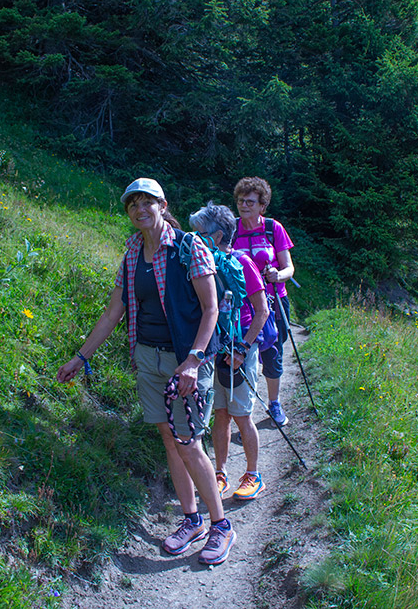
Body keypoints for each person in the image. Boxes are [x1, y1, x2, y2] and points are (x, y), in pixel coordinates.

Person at [56, 178, 236, 566]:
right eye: (132, 204)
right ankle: (192, 520)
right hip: (148, 359)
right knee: (170, 440)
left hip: (187, 363)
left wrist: (193, 359)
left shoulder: (190, 247)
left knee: (189, 442)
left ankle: (221, 525)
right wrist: (80, 357)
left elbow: (211, 310)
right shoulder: (133, 253)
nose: (140, 210)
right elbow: (112, 312)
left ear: (162, 204)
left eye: (147, 202)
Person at [189, 202, 270, 501]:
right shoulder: (203, 263)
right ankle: (219, 472)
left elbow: (261, 311)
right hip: (215, 350)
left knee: (241, 415)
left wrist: (244, 348)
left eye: (200, 232)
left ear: (218, 234)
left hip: (240, 350)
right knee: (220, 414)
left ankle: (253, 474)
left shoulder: (243, 264)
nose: (195, 238)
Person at [231, 177, 295, 426]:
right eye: (240, 200)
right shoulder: (232, 228)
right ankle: (240, 408)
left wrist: (277, 275)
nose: (244, 205)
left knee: (272, 351)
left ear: (262, 206)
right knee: (240, 351)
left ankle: (274, 403)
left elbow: (289, 268)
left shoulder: (273, 228)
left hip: (273, 301)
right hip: (240, 305)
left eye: (250, 201)